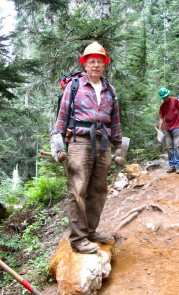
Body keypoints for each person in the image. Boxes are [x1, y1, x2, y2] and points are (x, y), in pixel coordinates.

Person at [51, 42, 124, 254]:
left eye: (99, 61)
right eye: (91, 61)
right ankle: (78, 238)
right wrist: (57, 142)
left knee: (98, 190)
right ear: (85, 64)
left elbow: (115, 121)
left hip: (103, 143)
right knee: (77, 190)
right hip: (79, 142)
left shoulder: (110, 90)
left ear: (104, 65)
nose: (95, 65)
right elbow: (62, 116)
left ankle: (90, 231)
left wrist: (118, 146)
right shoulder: (74, 87)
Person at [158, 87, 179, 174]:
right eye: (163, 97)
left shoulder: (175, 100)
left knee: (177, 147)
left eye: (166, 96)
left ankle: (178, 166)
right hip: (167, 129)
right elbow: (161, 118)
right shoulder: (162, 106)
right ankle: (171, 166)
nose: (165, 98)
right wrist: (159, 129)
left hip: (177, 127)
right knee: (170, 148)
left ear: (168, 94)